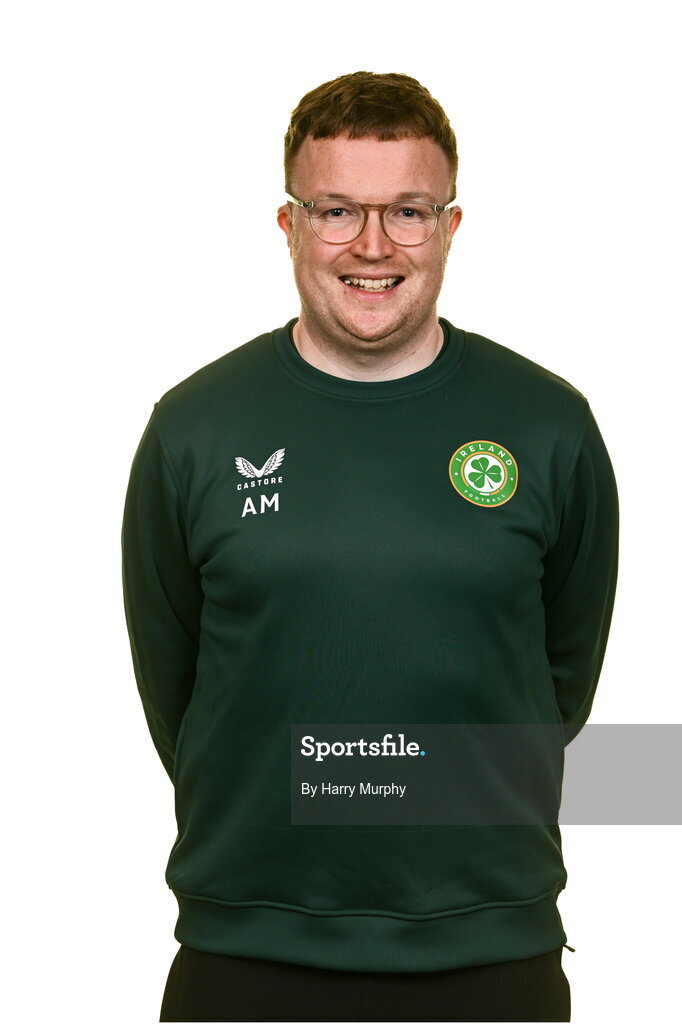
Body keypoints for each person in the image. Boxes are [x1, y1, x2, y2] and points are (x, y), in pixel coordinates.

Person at [121, 70, 618, 1022]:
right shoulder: (192, 429)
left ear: (452, 227)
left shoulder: (550, 427)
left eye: (409, 212)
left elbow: (561, 683)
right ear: (290, 225)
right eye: (338, 209)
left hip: (491, 953)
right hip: (245, 950)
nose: (374, 246)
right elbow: (178, 693)